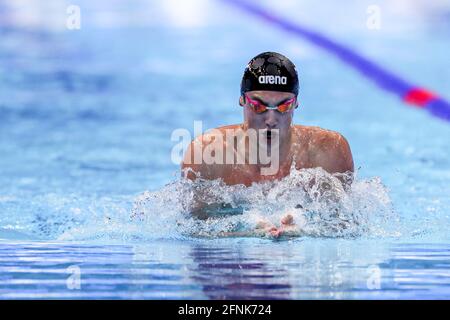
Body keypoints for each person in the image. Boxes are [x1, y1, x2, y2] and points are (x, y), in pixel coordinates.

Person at [181, 52, 354, 238]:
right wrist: (244, 232)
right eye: (258, 106)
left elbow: (346, 226)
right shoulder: (207, 155)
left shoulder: (327, 151)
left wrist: (306, 229)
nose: (271, 120)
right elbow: (192, 231)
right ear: (242, 100)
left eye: (283, 106)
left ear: (295, 103)